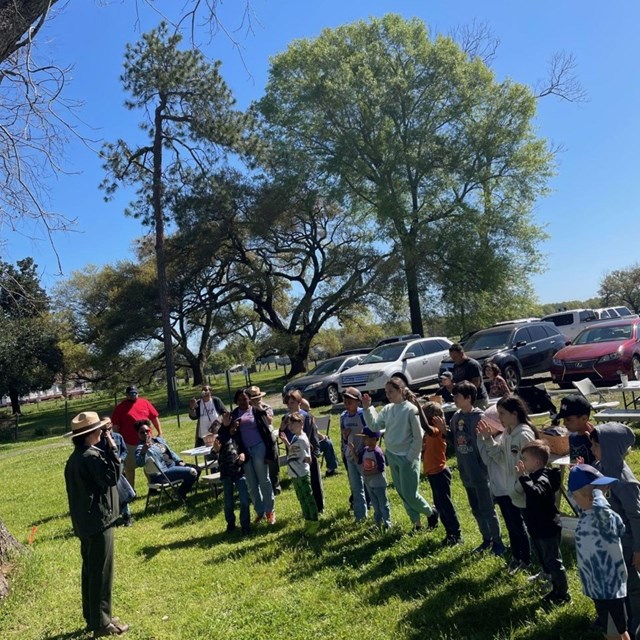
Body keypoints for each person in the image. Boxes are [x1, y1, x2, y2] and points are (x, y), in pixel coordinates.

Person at [63, 411, 130, 638]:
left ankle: (94, 617)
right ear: (91, 433)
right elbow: (112, 476)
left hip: (86, 523)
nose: (103, 432)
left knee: (91, 571)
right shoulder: (91, 456)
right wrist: (112, 446)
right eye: (100, 430)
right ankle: (102, 623)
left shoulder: (76, 457)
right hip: (99, 522)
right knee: (102, 573)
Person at [363, 377, 438, 531]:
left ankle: (430, 513)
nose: (388, 394)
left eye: (391, 391)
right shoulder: (388, 409)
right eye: (386, 392)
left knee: (410, 493)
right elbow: (375, 425)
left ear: (401, 391)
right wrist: (367, 408)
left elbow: (418, 436)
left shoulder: (411, 410)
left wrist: (410, 457)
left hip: (407, 457)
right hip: (392, 454)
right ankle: (416, 524)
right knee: (402, 493)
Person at [443, 380, 504, 554]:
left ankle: (498, 542)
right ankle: (486, 539)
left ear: (468, 398)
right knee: (476, 509)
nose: (454, 398)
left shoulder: (479, 417)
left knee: (487, 508)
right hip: (466, 472)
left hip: (481, 472)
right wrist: (443, 431)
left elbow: (489, 442)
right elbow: (455, 442)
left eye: (457, 395)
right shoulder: (456, 417)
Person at [477, 394, 537, 572]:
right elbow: (502, 458)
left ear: (514, 413)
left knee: (521, 525)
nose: (500, 418)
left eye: (502, 414)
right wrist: (488, 440)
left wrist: (521, 485)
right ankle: (517, 557)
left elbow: (529, 466)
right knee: (512, 525)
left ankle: (527, 560)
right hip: (509, 488)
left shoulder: (524, 434)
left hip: (522, 489)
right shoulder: (508, 434)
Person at [569, 464, 629, 639]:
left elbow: (614, 524)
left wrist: (596, 495)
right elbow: (574, 495)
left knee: (619, 630)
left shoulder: (606, 518)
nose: (605, 494)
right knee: (609, 629)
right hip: (596, 588)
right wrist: (596, 494)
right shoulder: (587, 515)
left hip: (611, 588)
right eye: (604, 491)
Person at [591, 424, 640, 636]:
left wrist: (638, 549)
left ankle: (635, 624)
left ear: (610, 447)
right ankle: (620, 619)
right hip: (610, 542)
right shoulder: (601, 468)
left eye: (596, 444)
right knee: (618, 583)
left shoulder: (624, 480)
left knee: (633, 586)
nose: (592, 448)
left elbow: (636, 517)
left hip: (627, 544)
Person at [517, 440, 570, 605]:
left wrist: (522, 478)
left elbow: (536, 493)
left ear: (537, 462)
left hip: (547, 527)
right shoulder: (538, 475)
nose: (522, 462)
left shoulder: (542, 478)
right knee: (544, 557)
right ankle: (551, 582)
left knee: (553, 561)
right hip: (538, 526)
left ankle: (562, 594)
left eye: (525, 459)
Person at [223, 389, 277, 525]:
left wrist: (270, 452)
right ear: (236, 401)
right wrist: (232, 428)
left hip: (259, 447)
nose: (242, 401)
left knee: (263, 479)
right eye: (240, 399)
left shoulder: (256, 411)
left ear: (249, 399)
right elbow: (228, 434)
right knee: (251, 483)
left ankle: (270, 510)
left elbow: (267, 430)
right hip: (244, 451)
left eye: (245, 398)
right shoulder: (234, 414)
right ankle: (260, 511)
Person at [421, 401, 462, 546]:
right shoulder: (428, 434)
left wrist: (417, 407)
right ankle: (449, 534)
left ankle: (456, 534)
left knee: (446, 505)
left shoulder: (437, 432)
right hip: (432, 474)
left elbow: (426, 426)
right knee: (440, 505)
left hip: (440, 473)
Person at [111, 385, 162, 490]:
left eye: (135, 393)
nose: (133, 396)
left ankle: (154, 486)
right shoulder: (120, 408)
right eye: (130, 394)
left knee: (150, 464)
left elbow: (154, 417)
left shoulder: (145, 403)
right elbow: (115, 426)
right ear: (126, 395)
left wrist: (160, 432)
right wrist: (118, 441)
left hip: (147, 441)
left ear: (137, 393)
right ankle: (131, 491)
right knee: (129, 468)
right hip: (129, 442)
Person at [134, 420, 199, 501]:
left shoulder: (157, 440)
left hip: (173, 465)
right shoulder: (140, 448)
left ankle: (182, 491)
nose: (145, 434)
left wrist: (179, 461)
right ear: (138, 434)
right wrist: (143, 451)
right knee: (192, 472)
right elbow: (139, 463)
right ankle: (181, 494)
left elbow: (170, 452)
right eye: (142, 432)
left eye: (147, 431)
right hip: (163, 473)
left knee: (197, 469)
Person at [281, 411, 319, 534]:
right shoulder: (295, 437)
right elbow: (294, 450)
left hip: (302, 474)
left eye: (293, 424)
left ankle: (314, 521)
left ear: (301, 423)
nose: (290, 426)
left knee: (308, 497)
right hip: (294, 474)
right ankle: (307, 520)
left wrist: (306, 460)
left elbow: (308, 457)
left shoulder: (302, 439)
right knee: (301, 498)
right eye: (289, 424)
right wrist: (287, 442)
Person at [213, 413, 251, 535]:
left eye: (237, 425)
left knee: (244, 500)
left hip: (239, 472)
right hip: (226, 472)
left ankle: (245, 525)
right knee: (228, 502)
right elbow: (213, 452)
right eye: (233, 425)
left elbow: (245, 450)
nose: (235, 428)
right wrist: (216, 450)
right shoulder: (222, 437)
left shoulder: (240, 437)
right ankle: (231, 523)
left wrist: (243, 455)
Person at [349, 426, 391, 529]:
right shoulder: (365, 450)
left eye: (365, 438)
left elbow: (381, 468)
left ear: (373, 439)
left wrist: (369, 473)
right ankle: (378, 523)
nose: (363, 440)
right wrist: (353, 451)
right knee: (376, 506)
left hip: (379, 483)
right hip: (369, 483)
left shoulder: (378, 452)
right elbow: (358, 460)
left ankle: (387, 524)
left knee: (383, 505)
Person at [97, 418, 135, 527]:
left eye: (108, 424)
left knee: (123, 494)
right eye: (103, 425)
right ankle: (113, 518)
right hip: (107, 471)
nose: (106, 428)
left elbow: (124, 450)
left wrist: (121, 459)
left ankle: (127, 517)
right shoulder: (98, 440)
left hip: (119, 470)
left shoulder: (118, 437)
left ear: (111, 424)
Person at [340, 387, 370, 522]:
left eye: (350, 402)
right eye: (345, 401)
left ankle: (378, 513)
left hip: (363, 455)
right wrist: (345, 441)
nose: (347, 404)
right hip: (350, 456)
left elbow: (371, 434)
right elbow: (343, 438)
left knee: (370, 484)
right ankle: (360, 516)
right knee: (356, 487)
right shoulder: (343, 416)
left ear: (358, 402)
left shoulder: (363, 414)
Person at [247, 385, 281, 494]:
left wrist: (260, 409)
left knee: (273, 462)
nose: (257, 400)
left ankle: (275, 486)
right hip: (255, 440)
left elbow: (269, 421)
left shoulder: (266, 407)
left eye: (258, 398)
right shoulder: (247, 410)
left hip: (269, 438)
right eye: (254, 399)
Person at [556, 394, 597, 465]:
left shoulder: (596, 438)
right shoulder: (572, 437)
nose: (564, 423)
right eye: (563, 419)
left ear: (584, 419)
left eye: (568, 419)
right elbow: (574, 463)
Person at [448, 343, 489, 409]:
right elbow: (456, 382)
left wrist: (462, 393)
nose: (453, 360)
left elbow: (476, 383)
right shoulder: (456, 366)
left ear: (461, 354)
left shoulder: (472, 364)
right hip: (464, 400)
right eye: (452, 357)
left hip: (477, 399)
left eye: (455, 357)